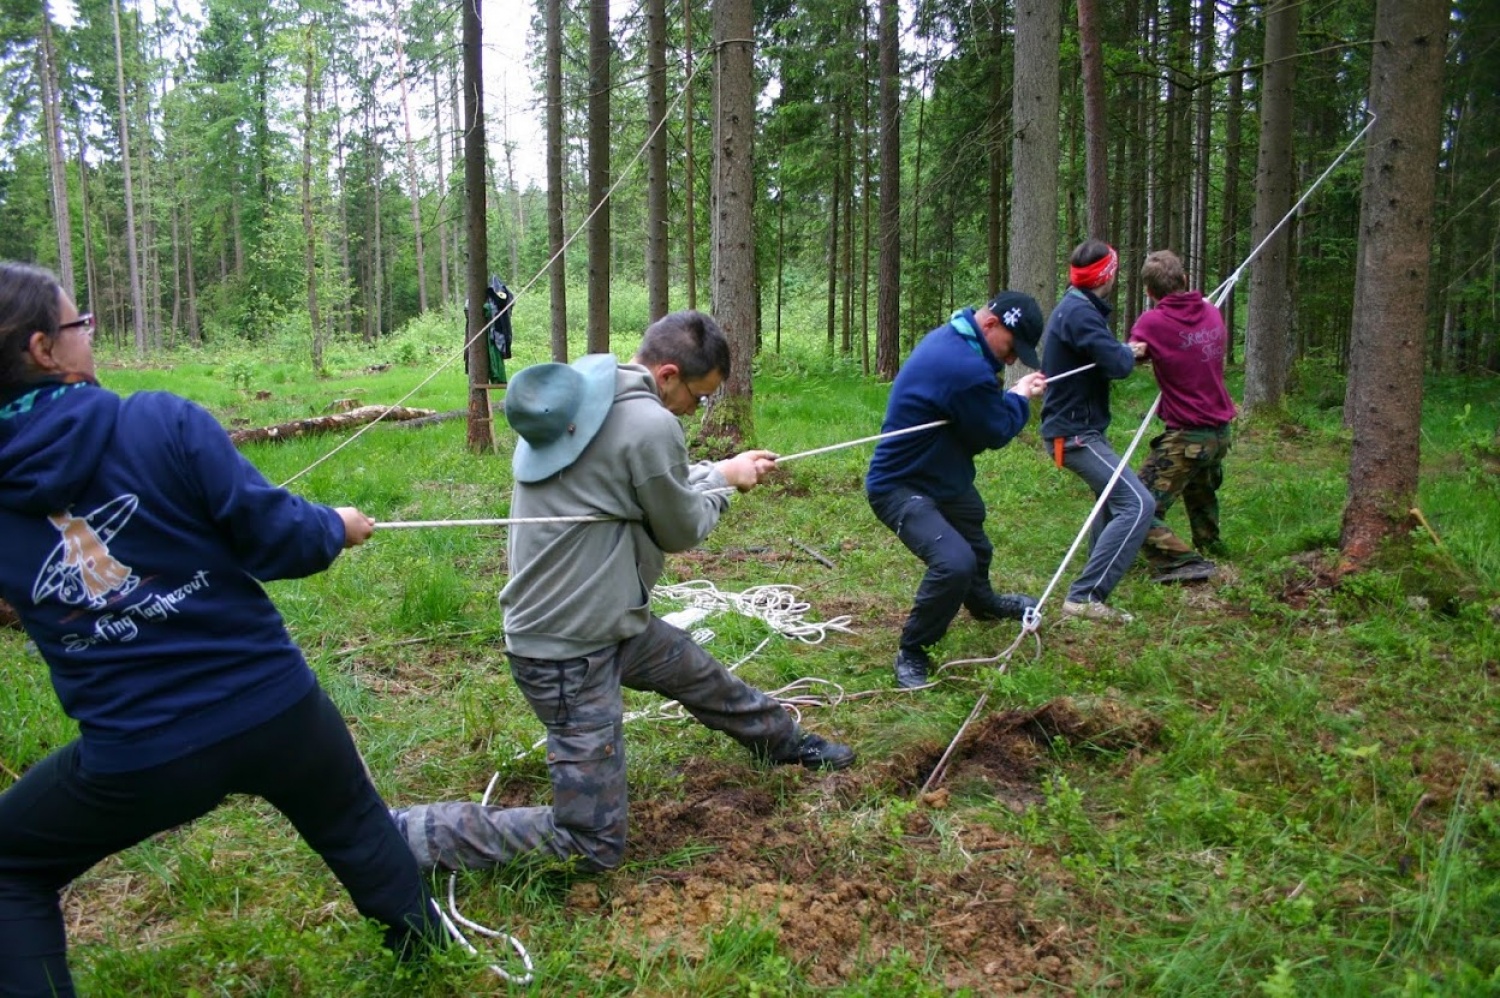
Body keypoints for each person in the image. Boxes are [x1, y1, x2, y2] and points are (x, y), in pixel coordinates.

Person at [0, 263, 440, 997]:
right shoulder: (162, 420)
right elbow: (277, 541)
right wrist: (335, 526)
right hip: (278, 711)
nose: (91, 337)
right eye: (82, 325)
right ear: (44, 349)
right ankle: (427, 953)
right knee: (354, 823)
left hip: (139, 755)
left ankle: (431, 963)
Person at [392, 310, 854, 874]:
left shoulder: (591, 392)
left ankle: (785, 743)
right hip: (567, 655)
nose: (696, 409)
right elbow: (680, 527)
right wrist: (727, 487)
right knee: (591, 845)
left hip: (608, 621)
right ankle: (407, 834)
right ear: (667, 375)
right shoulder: (651, 424)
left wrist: (720, 469)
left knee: (701, 675)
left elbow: (639, 487)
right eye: (698, 396)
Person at [865, 292, 1049, 689]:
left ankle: (983, 603)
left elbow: (972, 417)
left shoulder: (957, 339)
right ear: (990, 325)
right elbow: (995, 431)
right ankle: (913, 650)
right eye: (1012, 347)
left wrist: (1006, 397)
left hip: (943, 477)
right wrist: (1019, 398)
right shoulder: (963, 367)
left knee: (976, 545)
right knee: (954, 562)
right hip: (899, 484)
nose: (1013, 359)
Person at [1040, 239, 1155, 623]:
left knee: (1111, 503)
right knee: (1137, 504)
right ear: (1107, 275)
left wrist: (1123, 350)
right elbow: (1118, 365)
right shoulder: (1080, 313)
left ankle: (1089, 586)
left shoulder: (1079, 307)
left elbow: (1104, 355)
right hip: (1073, 436)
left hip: (1079, 429)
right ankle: (1085, 596)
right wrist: (1130, 353)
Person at [1127, 250, 1236, 581]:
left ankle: (1183, 561)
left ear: (1149, 292)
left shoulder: (1152, 323)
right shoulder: (1211, 312)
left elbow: (1132, 358)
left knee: (1133, 504)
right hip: (1219, 432)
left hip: (1188, 437)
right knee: (1200, 491)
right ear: (1184, 279)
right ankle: (1210, 545)